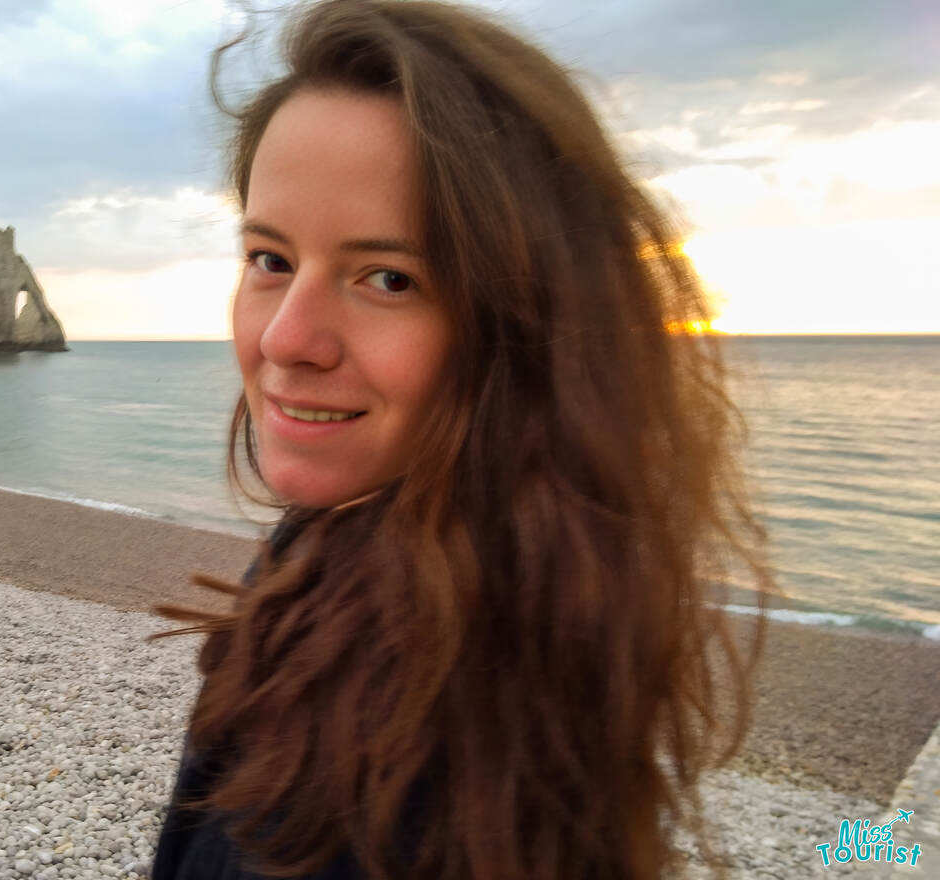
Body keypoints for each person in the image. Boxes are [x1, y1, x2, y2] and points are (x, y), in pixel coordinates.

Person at [149, 2, 773, 878]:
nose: (287, 338)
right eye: (270, 260)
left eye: (389, 277)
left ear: (525, 329)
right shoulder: (355, 549)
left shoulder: (425, 742)